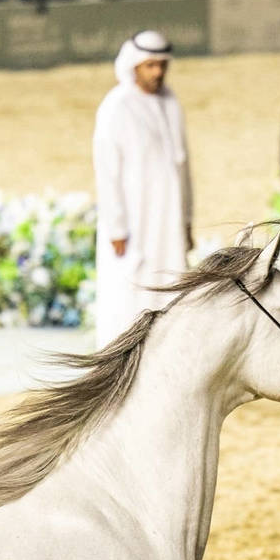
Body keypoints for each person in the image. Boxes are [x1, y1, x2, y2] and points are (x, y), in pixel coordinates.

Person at [92, 31, 193, 345]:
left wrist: (186, 220)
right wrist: (117, 226)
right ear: (134, 66)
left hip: (169, 219)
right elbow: (107, 173)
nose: (157, 72)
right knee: (128, 291)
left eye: (162, 65)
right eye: (150, 65)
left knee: (171, 284)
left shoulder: (170, 100)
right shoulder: (116, 106)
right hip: (134, 223)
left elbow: (183, 164)